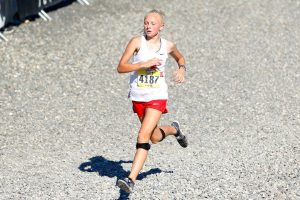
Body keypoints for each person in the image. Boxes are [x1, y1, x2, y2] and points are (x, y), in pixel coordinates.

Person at [116, 9, 188, 193]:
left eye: (153, 23)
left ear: (161, 27)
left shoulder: (168, 46)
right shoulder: (136, 42)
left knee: (142, 136)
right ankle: (174, 130)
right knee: (154, 137)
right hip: (138, 96)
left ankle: (130, 180)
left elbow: (180, 57)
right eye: (146, 22)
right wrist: (142, 64)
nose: (148, 26)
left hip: (157, 96)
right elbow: (121, 67)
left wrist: (181, 69)